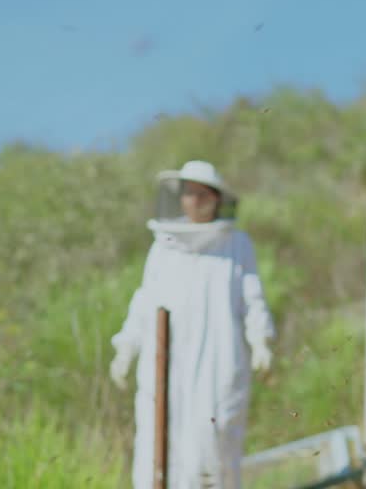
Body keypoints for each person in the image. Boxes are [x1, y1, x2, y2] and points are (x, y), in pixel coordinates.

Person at [110, 159, 276, 489]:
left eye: (203, 194)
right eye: (189, 194)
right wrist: (126, 348)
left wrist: (261, 341)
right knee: (158, 445)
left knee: (211, 448)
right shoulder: (163, 247)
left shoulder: (236, 245)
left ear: (216, 199)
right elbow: (144, 302)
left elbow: (252, 297)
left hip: (217, 363)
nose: (195, 201)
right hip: (165, 366)